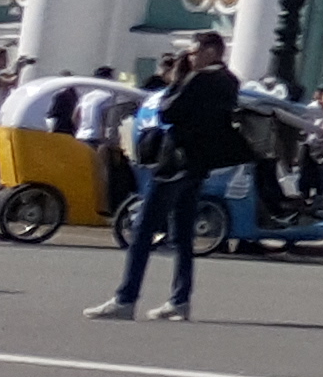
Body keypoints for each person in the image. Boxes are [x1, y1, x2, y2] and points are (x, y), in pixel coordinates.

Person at [95, 37, 244, 322]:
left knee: (143, 229)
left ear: (210, 52)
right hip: (199, 163)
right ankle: (179, 300)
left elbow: (167, 111)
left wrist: (177, 80)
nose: (190, 56)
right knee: (183, 234)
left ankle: (126, 298)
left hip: (174, 162)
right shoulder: (229, 81)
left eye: (195, 50)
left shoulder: (197, 79)